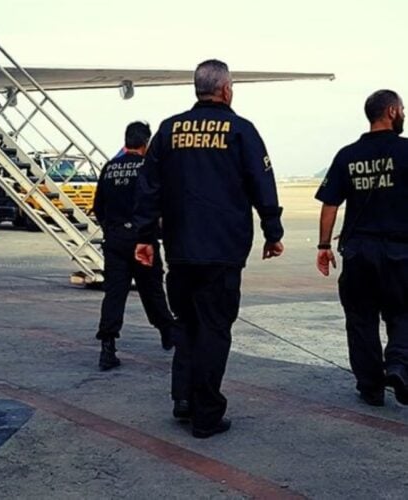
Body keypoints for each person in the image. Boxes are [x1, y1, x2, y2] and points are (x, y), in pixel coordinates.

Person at [133, 59, 284, 438]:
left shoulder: (168, 131)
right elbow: (261, 182)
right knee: (215, 329)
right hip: (222, 251)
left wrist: (144, 238)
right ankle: (206, 413)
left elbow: (148, 188)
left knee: (187, 325)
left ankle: (183, 399)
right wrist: (272, 229)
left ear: (197, 89)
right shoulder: (241, 130)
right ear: (227, 90)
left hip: (181, 249)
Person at [315, 89, 408, 407]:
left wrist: (324, 245)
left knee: (360, 318)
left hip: (357, 252)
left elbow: (330, 204)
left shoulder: (347, 155)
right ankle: (399, 364)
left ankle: (370, 386)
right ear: (393, 111)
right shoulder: (407, 150)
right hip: (400, 251)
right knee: (404, 312)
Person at [93, 121, 176, 371]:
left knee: (114, 294)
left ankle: (107, 347)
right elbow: (158, 202)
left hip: (116, 240)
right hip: (143, 240)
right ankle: (167, 332)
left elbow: (99, 207)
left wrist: (111, 229)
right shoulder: (148, 167)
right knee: (152, 291)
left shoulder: (109, 168)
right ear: (146, 142)